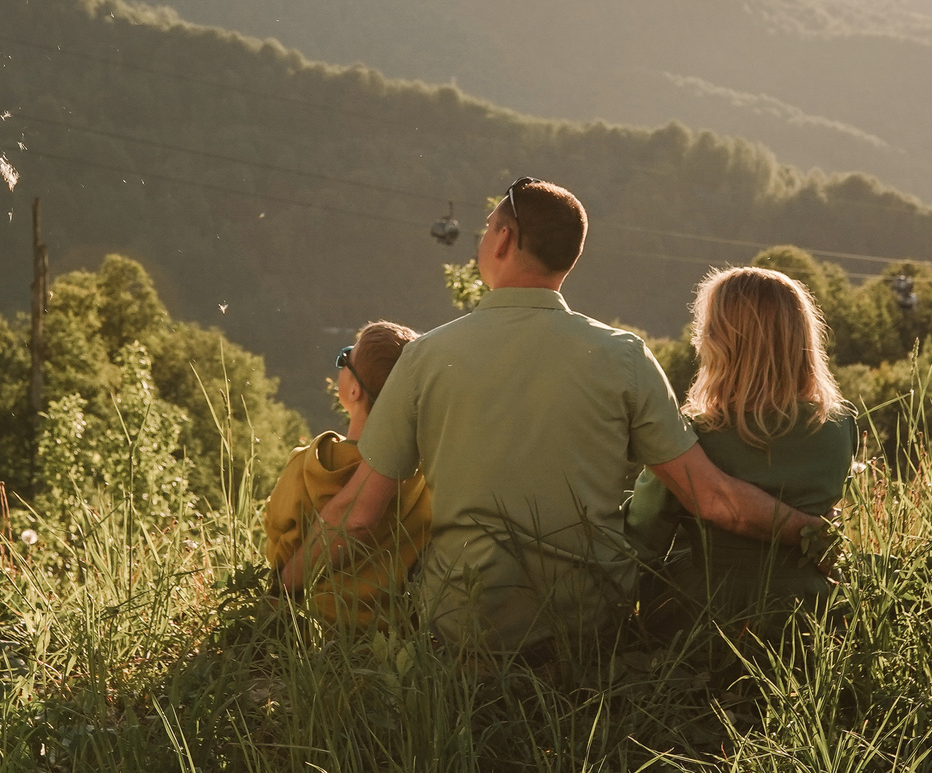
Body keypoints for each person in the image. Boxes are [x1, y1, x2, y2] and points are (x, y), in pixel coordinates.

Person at [292, 178, 838, 653]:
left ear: (503, 240)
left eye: (486, 229)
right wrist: (813, 532)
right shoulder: (625, 357)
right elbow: (714, 499)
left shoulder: (425, 358)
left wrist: (279, 590)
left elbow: (357, 518)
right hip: (590, 623)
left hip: (467, 622)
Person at [626, 266, 859, 628]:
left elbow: (643, 535)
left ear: (721, 342)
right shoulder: (840, 426)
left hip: (707, 608)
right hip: (809, 610)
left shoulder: (694, 432)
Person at [266, 321, 434, 623]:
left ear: (355, 390)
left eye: (345, 358)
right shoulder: (423, 475)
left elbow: (278, 539)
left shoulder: (311, 463)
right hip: (395, 632)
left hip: (313, 628)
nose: (341, 365)